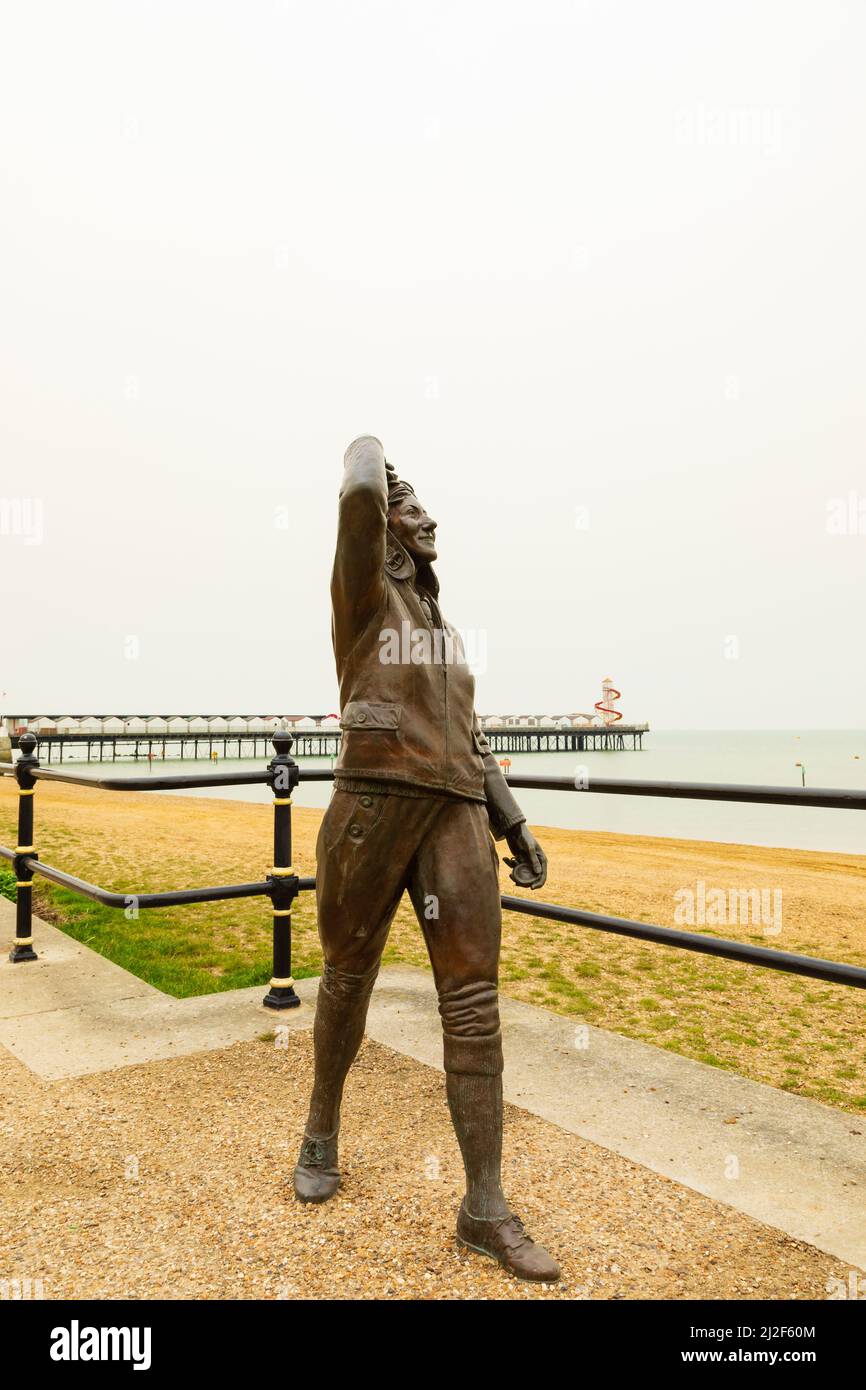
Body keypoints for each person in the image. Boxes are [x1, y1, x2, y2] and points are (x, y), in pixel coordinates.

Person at [293, 436, 560, 1282]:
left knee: (475, 1001)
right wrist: (373, 449)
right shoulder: (363, 593)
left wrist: (511, 821)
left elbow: (471, 742)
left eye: (421, 506)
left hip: (455, 815)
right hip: (376, 804)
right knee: (348, 974)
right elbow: (360, 493)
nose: (428, 517)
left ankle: (484, 1208)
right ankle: (320, 1130)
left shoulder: (444, 636)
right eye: (415, 508)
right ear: (390, 529)